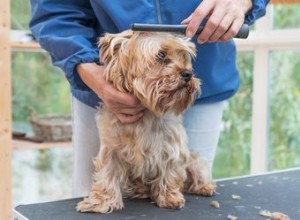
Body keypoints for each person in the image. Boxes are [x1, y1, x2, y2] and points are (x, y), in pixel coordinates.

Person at [29, 0, 269, 197]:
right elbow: (54, 10)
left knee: (188, 199)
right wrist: (90, 72)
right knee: (101, 197)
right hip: (103, 85)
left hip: (204, 83)